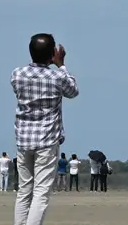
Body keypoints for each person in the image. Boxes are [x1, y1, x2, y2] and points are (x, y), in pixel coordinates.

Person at [12, 34, 79, 225]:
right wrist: (61, 65)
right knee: (41, 192)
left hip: (23, 138)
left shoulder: (17, 74)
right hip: (47, 139)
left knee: (24, 190)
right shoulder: (57, 77)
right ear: (52, 54)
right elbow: (73, 91)